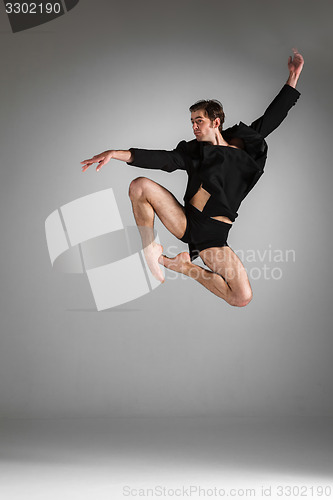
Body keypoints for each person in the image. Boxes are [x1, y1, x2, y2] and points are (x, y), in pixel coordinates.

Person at [81, 48, 304, 307]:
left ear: (216, 122)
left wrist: (293, 77)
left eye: (199, 121)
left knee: (241, 296)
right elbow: (161, 158)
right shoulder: (193, 153)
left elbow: (272, 118)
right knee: (139, 186)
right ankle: (149, 248)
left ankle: (184, 267)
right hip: (187, 221)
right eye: (192, 122)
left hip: (214, 237)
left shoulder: (242, 144)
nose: (194, 126)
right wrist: (115, 153)